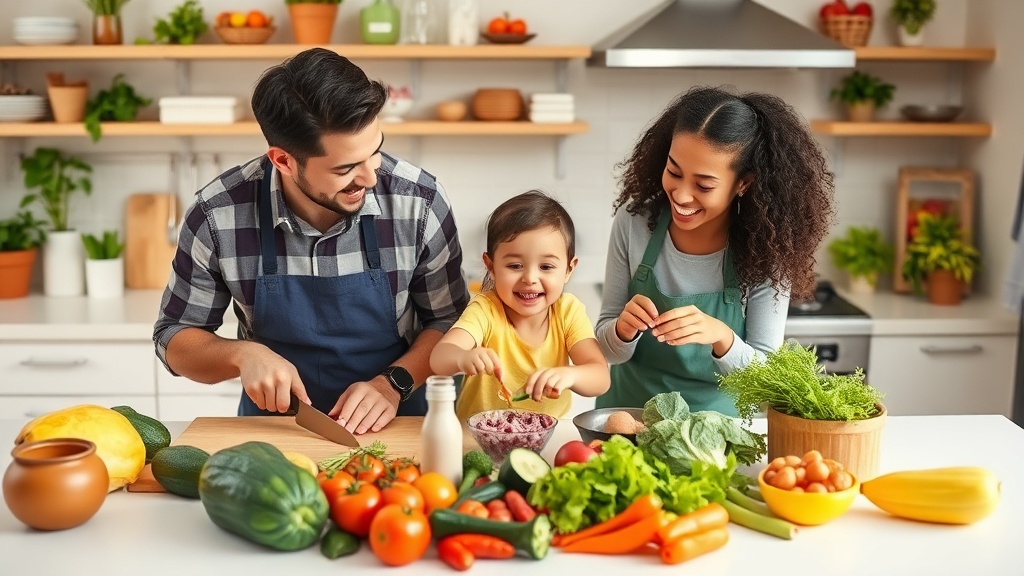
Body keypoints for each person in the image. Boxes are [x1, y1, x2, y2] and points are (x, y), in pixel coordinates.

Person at [152, 48, 470, 434]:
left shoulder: (418, 201)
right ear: (283, 161)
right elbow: (174, 337)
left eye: (375, 151)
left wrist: (393, 384)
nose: (370, 178)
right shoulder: (217, 214)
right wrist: (241, 354)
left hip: (399, 419)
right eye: (345, 168)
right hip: (274, 430)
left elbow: (451, 321)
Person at [595, 86, 835, 416]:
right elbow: (606, 352)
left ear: (743, 184)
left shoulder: (767, 250)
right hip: (625, 420)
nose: (680, 195)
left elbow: (767, 378)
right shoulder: (634, 222)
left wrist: (722, 337)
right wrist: (622, 330)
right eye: (674, 172)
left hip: (716, 434)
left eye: (704, 185)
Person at [429, 191, 611, 421]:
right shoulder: (485, 309)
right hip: (477, 441)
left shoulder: (568, 311)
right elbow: (439, 359)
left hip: (547, 438)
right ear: (491, 266)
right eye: (515, 265)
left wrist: (571, 375)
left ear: (569, 269)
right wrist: (461, 358)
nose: (530, 278)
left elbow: (600, 377)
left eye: (546, 267)